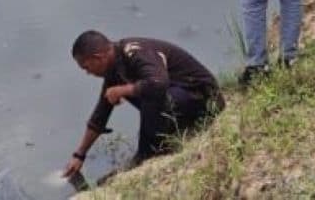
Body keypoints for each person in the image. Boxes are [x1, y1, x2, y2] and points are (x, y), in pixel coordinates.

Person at [62, 32, 224, 178]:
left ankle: (149, 153)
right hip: (181, 97)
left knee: (148, 92)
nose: (88, 73)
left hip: (205, 99)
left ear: (98, 57)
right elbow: (100, 114)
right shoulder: (114, 67)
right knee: (127, 91)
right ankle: (161, 139)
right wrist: (80, 154)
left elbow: (158, 83)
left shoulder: (135, 53)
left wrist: (123, 90)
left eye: (87, 67)